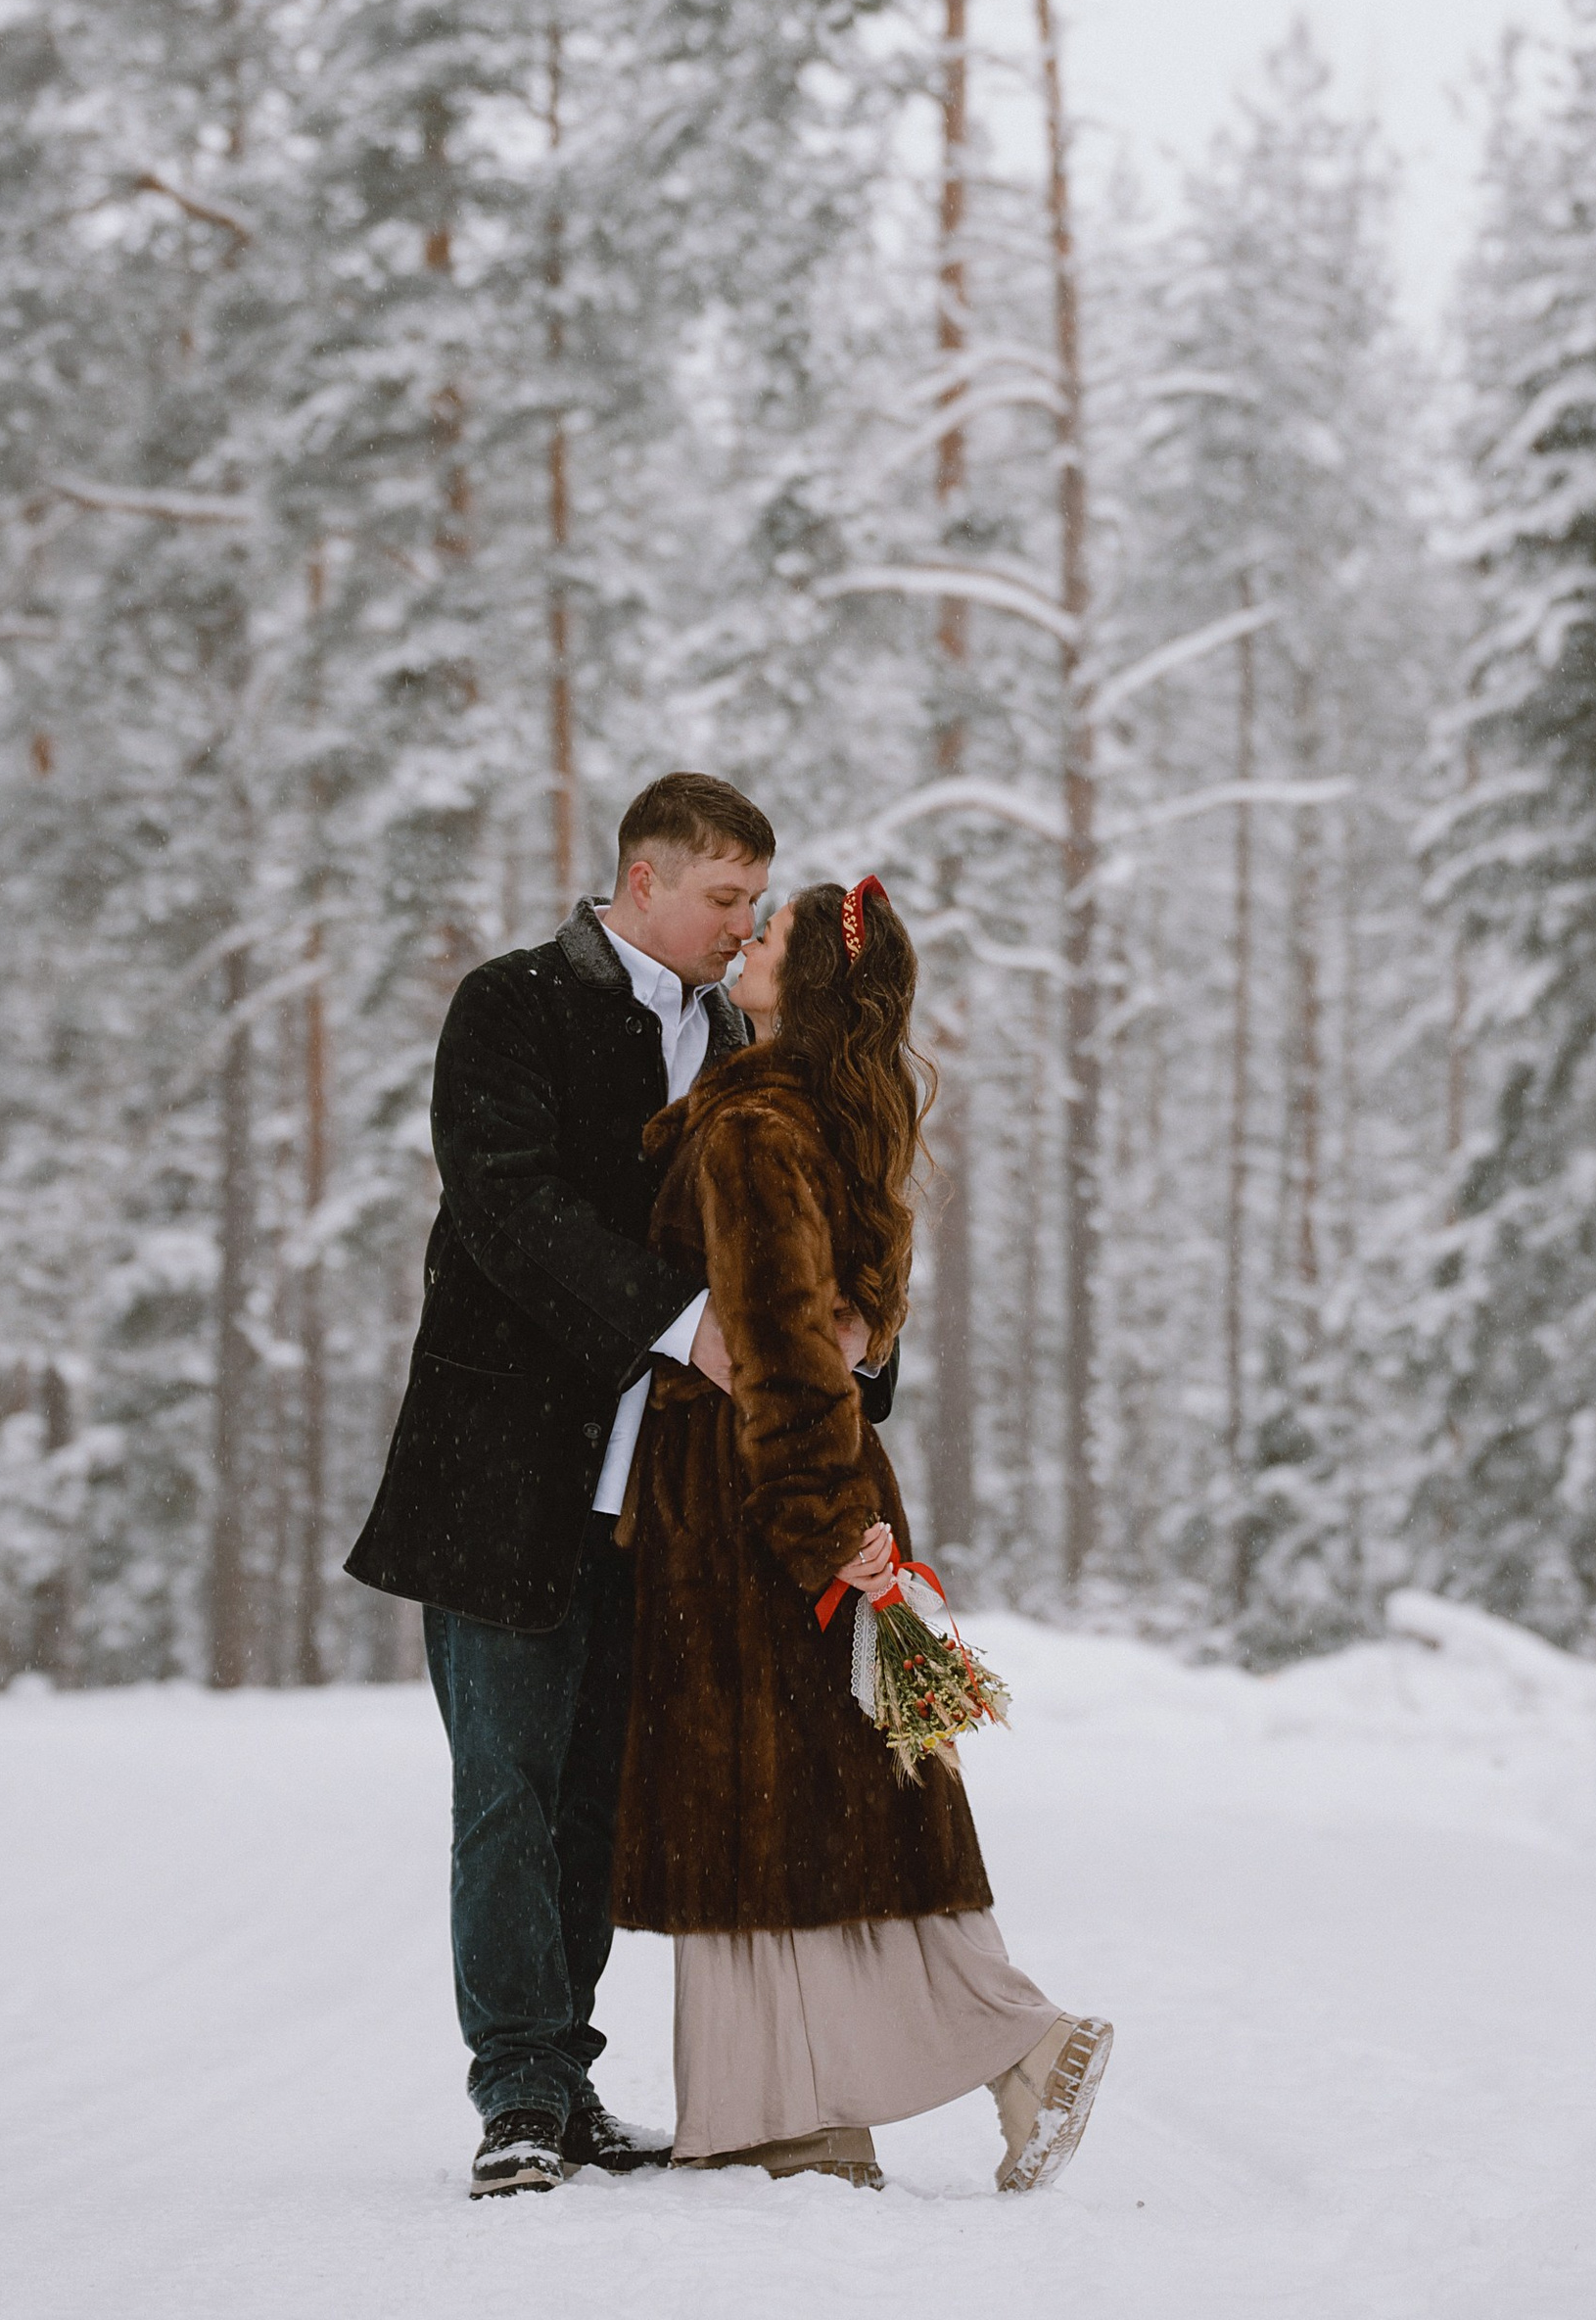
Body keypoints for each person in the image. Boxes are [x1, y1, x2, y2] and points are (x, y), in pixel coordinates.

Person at [345, 771, 898, 2200]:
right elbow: (505, 1202)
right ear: (644, 882)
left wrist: (851, 1343)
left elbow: (795, 1228)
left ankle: (572, 2081)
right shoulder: (512, 1004)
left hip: (660, 1503)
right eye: (726, 900)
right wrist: (686, 1323)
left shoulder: (734, 1038)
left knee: (599, 1798)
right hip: (499, 1476)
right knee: (507, 1794)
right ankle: (518, 2093)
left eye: (756, 905)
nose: (744, 926)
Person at [613, 874, 1110, 2195]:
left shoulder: (758, 1123)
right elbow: (841, 1329)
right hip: (805, 1486)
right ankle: (820, 2105)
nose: (748, 940)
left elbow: (780, 1338)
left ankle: (975, 2055)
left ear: (809, 982)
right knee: (827, 1804)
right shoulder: (826, 1116)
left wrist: (821, 1524)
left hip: (753, 1501)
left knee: (769, 1801)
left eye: (769, 934)